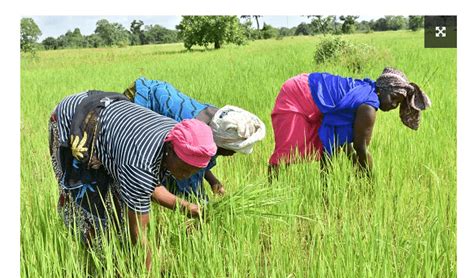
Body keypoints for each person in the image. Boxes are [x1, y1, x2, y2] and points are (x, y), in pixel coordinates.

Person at [49, 90, 217, 270]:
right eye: (184, 168)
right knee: (87, 206)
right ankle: (92, 264)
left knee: (119, 205)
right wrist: (150, 276)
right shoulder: (140, 163)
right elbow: (137, 233)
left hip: (110, 123)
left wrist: (188, 208)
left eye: (194, 170)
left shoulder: (174, 135)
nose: (187, 175)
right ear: (169, 148)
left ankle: (112, 255)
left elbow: (150, 185)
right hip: (74, 120)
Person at [268, 67, 431, 178]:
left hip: (308, 87)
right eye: (393, 98)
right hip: (298, 92)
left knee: (329, 143)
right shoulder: (368, 106)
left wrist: (329, 181)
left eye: (398, 103)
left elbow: (340, 142)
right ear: (382, 89)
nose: (393, 105)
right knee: (288, 149)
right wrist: (370, 182)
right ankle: (271, 191)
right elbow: (362, 149)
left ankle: (325, 190)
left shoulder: (367, 93)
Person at [124, 77, 266, 200]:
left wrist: (213, 181)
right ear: (218, 143)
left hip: (158, 93)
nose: (232, 154)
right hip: (138, 101)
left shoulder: (216, 123)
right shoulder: (192, 135)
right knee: (141, 169)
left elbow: (198, 162)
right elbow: (188, 180)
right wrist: (203, 210)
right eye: (231, 150)